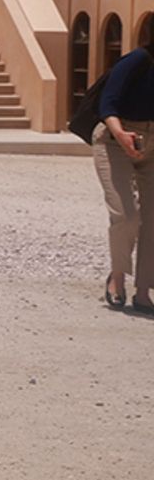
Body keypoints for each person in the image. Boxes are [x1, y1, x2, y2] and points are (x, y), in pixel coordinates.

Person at [92, 44, 154, 313]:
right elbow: (108, 103)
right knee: (127, 214)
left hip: (152, 144)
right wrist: (121, 135)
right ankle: (117, 277)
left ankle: (143, 292)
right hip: (114, 140)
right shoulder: (137, 60)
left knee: (152, 220)